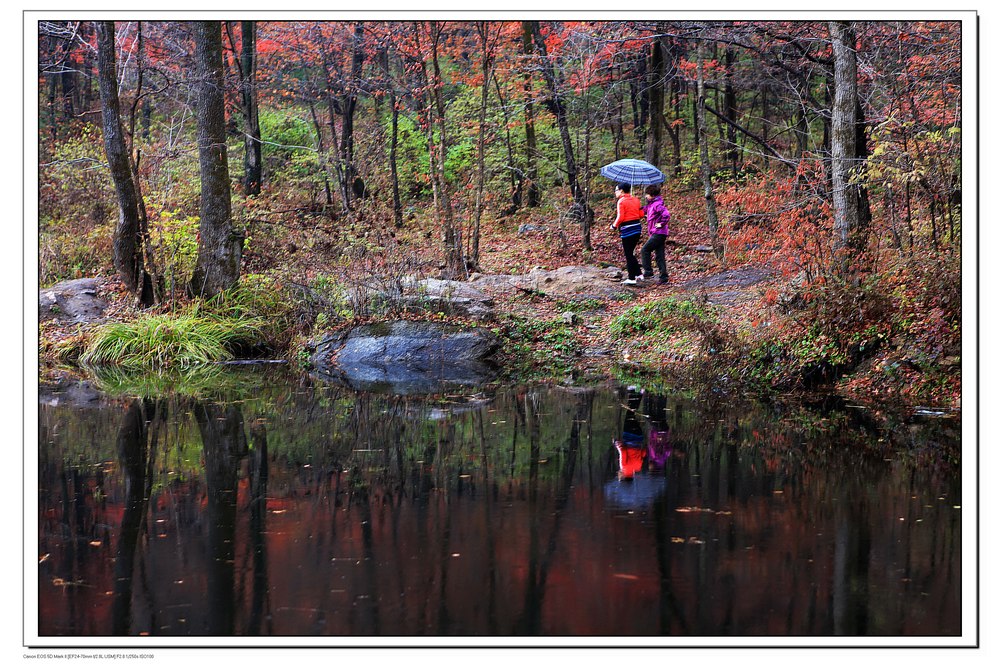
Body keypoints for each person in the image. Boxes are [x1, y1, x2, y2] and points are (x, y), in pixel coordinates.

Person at [609, 182, 644, 285]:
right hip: (637, 228)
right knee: (631, 253)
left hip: (627, 230)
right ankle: (639, 274)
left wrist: (614, 226)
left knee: (628, 254)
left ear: (621, 191)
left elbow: (620, 217)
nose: (615, 192)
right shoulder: (636, 200)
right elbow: (641, 214)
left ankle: (631, 278)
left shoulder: (621, 201)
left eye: (616, 190)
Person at [640, 184, 670, 284]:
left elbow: (666, 215)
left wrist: (661, 224)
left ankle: (648, 271)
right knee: (659, 255)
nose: (646, 196)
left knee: (645, 250)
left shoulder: (657, 204)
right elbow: (645, 210)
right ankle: (663, 277)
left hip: (659, 232)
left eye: (647, 194)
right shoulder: (651, 204)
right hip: (656, 232)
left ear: (652, 195)